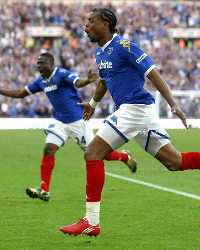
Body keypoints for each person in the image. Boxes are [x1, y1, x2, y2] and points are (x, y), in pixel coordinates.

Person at [59, 8, 200, 237]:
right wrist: (93, 104)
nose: (85, 26)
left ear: (105, 23)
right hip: (137, 112)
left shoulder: (125, 46)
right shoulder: (100, 53)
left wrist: (174, 105)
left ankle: (91, 222)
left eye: (90, 21)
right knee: (175, 162)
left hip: (135, 108)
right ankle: (91, 222)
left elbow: (153, 74)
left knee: (92, 152)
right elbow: (104, 81)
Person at [0, 52, 137, 201]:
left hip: (78, 121)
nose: (39, 67)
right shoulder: (41, 81)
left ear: (51, 64)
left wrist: (87, 81)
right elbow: (21, 93)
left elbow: (77, 82)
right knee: (49, 149)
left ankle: (124, 156)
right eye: (38, 64)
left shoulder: (62, 74)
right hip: (60, 122)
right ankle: (44, 189)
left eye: (42, 64)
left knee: (99, 154)